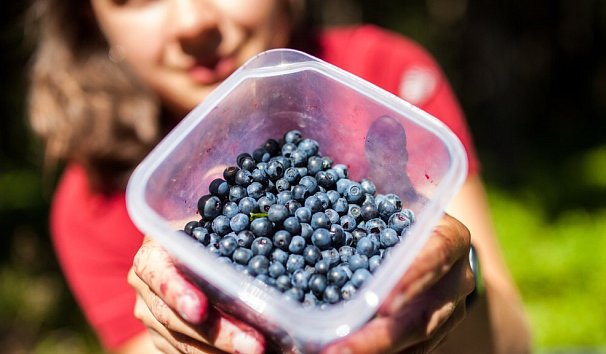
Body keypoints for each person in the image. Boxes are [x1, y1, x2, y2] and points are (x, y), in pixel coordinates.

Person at [27, 0, 531, 353]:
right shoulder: (92, 201)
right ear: (91, 20)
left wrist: (458, 287)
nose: (192, 21)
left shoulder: (386, 78)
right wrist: (177, 338)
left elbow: (512, 345)